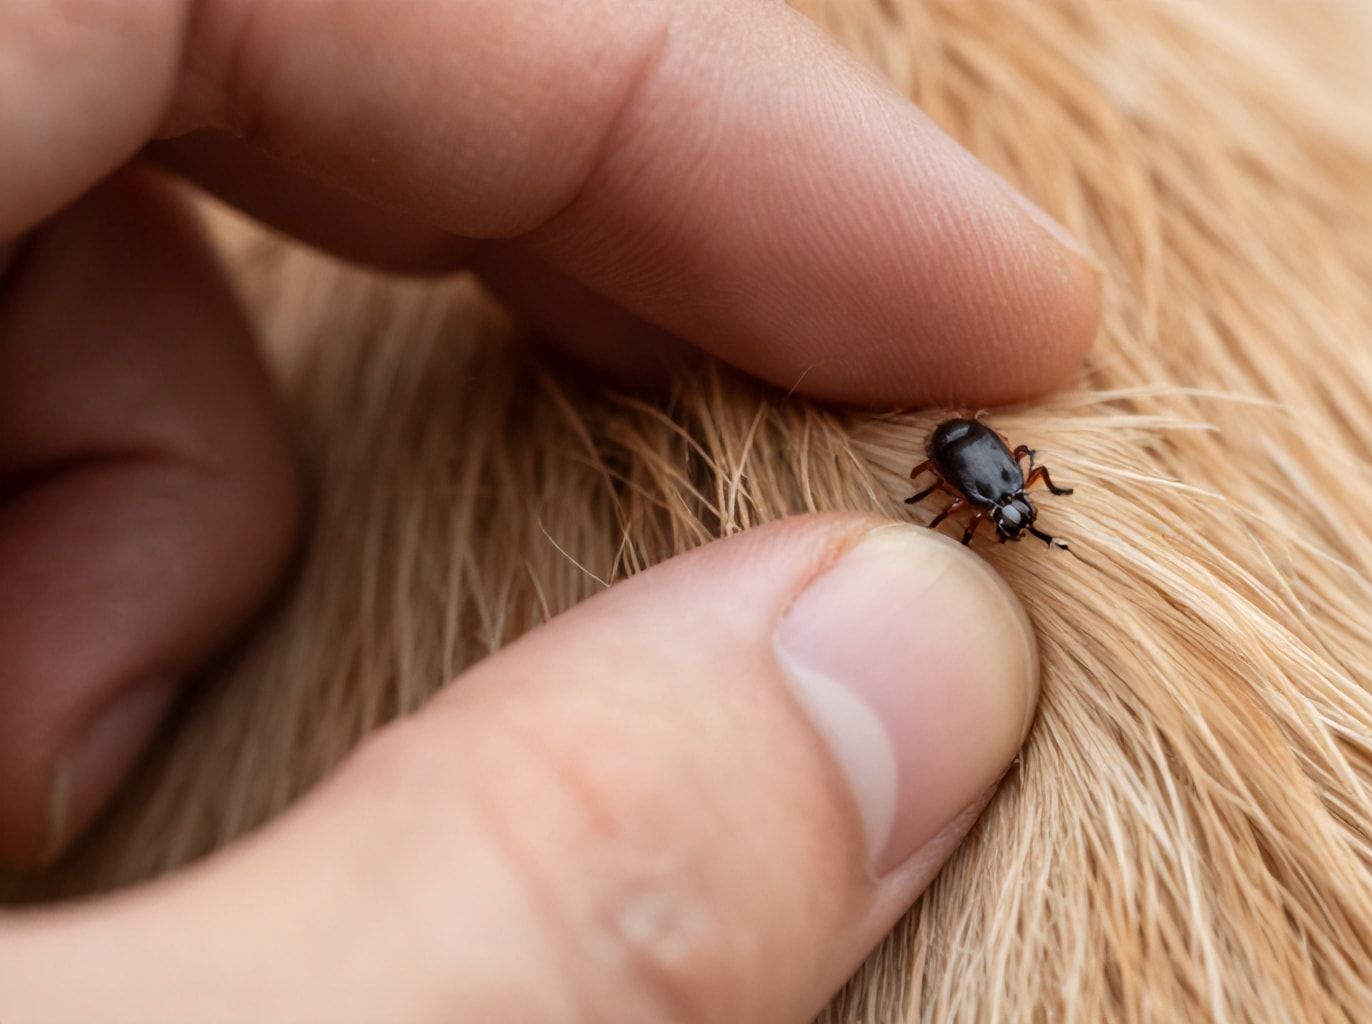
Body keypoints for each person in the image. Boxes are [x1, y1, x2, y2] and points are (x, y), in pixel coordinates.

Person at [0, 1, 1101, 1019]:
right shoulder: (983, 484)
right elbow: (964, 472)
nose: (1003, 510)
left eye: (1001, 509)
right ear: (992, 495)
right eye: (1003, 507)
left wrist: (972, 484)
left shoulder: (976, 479)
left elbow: (958, 467)